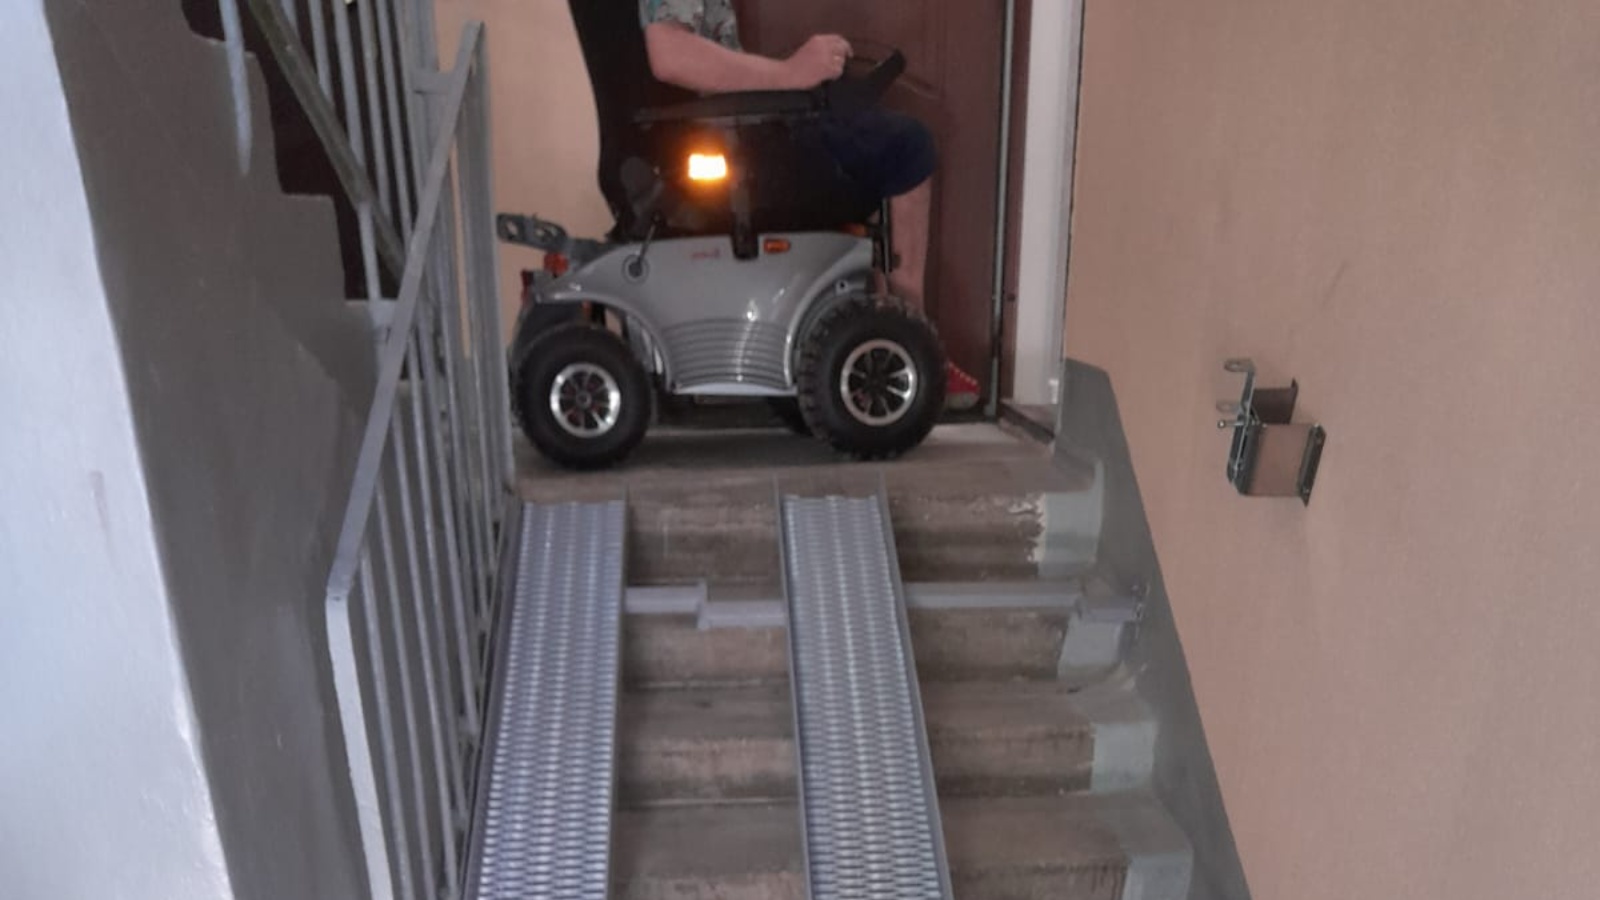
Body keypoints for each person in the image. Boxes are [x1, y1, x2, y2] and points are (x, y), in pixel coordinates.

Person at [637, 0, 935, 315]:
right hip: (726, 151)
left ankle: (887, 323)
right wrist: (791, 72)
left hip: (719, 139)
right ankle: (912, 328)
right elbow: (670, 55)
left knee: (863, 129)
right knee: (906, 146)